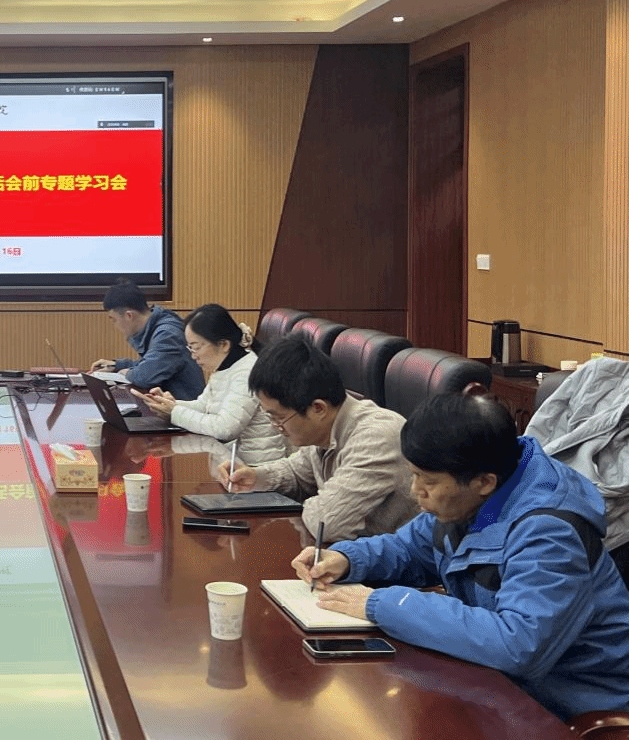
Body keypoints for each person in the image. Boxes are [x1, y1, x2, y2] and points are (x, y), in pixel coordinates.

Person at [295, 394, 629, 721]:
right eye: (414, 475)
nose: (415, 491)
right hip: (497, 686)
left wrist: (385, 605)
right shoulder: (472, 495)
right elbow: (410, 549)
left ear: (484, 482)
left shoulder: (549, 533)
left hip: (573, 708)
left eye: (428, 481)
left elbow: (518, 644)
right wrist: (347, 558)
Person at [217, 335, 416, 542]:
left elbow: (327, 524)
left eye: (279, 418)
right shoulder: (326, 427)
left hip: (401, 559)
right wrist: (256, 477)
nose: (276, 427)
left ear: (318, 408)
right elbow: (297, 474)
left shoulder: (376, 438)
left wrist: (317, 504)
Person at [136, 303, 287, 463]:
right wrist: (169, 405)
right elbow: (204, 406)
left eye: (196, 348)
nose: (193, 356)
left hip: (256, 468)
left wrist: (175, 412)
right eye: (190, 348)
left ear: (224, 345)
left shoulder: (247, 372)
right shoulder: (226, 365)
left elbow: (225, 429)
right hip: (231, 462)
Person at [88, 280, 204, 401]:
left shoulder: (167, 334)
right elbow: (148, 364)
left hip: (183, 409)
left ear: (129, 315)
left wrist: (125, 372)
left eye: (114, 319)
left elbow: (144, 376)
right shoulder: (156, 328)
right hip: (167, 406)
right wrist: (117, 366)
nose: (115, 325)